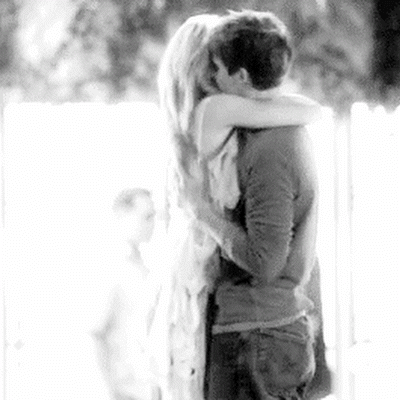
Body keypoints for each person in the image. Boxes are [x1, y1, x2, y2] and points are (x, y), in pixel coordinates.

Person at [157, 10, 322, 400]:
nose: (218, 74)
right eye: (214, 63)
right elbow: (308, 109)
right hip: (244, 313)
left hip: (239, 310)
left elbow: (264, 257)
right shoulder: (218, 114)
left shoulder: (229, 131)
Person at [93, 188, 162, 400]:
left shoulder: (145, 269)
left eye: (153, 217)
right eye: (146, 217)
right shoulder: (110, 268)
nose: (152, 224)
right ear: (123, 216)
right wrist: (108, 391)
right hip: (123, 391)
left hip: (146, 388)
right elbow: (95, 335)